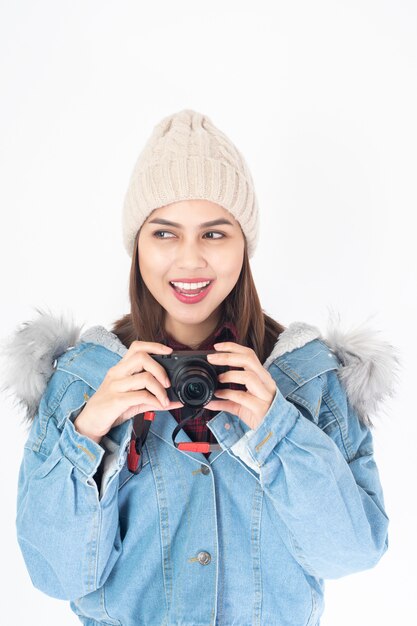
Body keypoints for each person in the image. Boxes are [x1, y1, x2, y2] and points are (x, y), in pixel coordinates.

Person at [3, 109, 400, 626]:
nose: (190, 261)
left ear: (245, 246)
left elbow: (349, 554)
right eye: (164, 234)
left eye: (214, 234)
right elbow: (57, 576)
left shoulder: (308, 381)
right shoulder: (84, 381)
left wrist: (279, 430)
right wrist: (88, 431)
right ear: (137, 246)